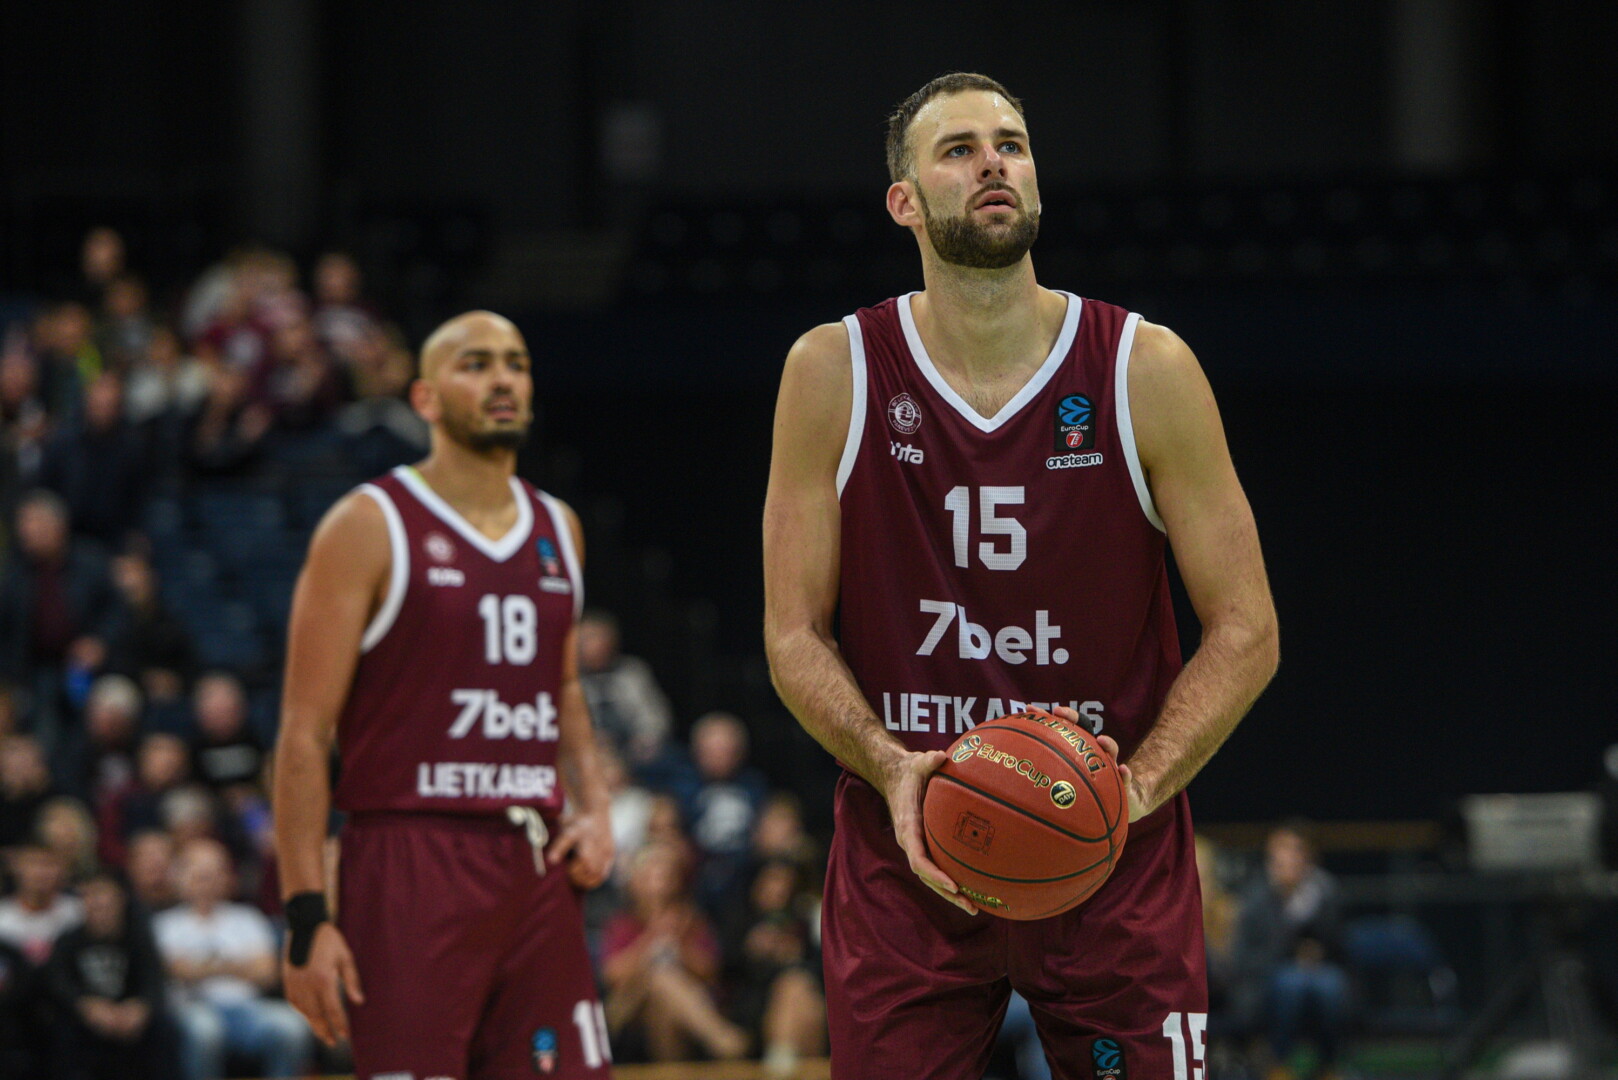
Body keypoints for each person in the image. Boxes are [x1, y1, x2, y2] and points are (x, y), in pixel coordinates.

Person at [762, 73, 1279, 1079]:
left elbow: (1248, 628)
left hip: (1111, 856)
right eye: (958, 150)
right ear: (904, 201)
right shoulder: (832, 371)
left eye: (1011, 143)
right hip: (909, 847)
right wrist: (890, 767)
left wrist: (1135, 788)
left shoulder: (1145, 368)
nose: (992, 163)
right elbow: (792, 636)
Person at [272, 310, 615, 1078]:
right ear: (424, 398)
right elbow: (302, 734)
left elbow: (563, 683)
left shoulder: (559, 527)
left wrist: (595, 806)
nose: (502, 379)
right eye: (475, 364)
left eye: (515, 363)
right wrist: (306, 916)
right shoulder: (367, 525)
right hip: (407, 857)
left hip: (530, 851)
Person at [153, 837, 311, 1080]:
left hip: (247, 1008)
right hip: (192, 1007)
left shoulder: (248, 918)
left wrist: (201, 968)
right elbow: (175, 970)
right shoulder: (165, 924)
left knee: (292, 1026)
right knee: (205, 1030)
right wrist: (237, 966)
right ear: (181, 876)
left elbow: (267, 973)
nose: (208, 882)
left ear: (227, 877)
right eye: (201, 875)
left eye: (216, 873)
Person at [1233, 823, 1348, 1080]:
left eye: (1296, 850)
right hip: (1264, 981)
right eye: (1282, 850)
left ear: (1309, 856)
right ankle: (1279, 1064)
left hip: (1319, 975)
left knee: (1331, 985)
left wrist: (1316, 952)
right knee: (1291, 983)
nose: (1289, 858)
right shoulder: (1255, 896)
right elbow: (1244, 958)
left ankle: (1328, 1066)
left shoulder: (1325, 891)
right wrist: (1291, 950)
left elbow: (1340, 947)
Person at [47, 869, 167, 1080]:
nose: (99, 903)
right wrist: (86, 1005)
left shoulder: (139, 937)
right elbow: (58, 981)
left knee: (164, 1029)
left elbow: (153, 978)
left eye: (104, 894)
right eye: (91, 895)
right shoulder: (68, 940)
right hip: (85, 1016)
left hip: (130, 1015)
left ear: (121, 899)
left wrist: (141, 1006)